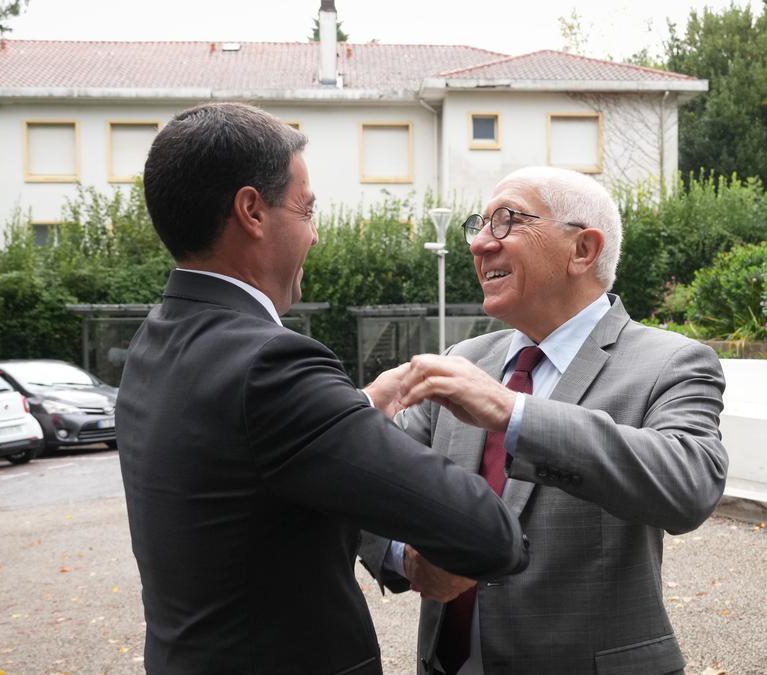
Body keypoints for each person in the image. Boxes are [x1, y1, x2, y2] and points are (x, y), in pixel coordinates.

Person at [116, 102, 529, 675]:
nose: (314, 235)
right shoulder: (270, 364)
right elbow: (487, 535)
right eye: (307, 210)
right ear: (251, 211)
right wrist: (423, 561)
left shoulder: (158, 337)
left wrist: (357, 409)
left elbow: (246, 480)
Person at [359, 166, 729, 675]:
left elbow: (689, 485)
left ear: (583, 250)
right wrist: (405, 556)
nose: (480, 244)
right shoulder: (464, 359)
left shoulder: (671, 362)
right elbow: (367, 484)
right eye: (479, 225)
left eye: (507, 221)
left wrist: (514, 413)